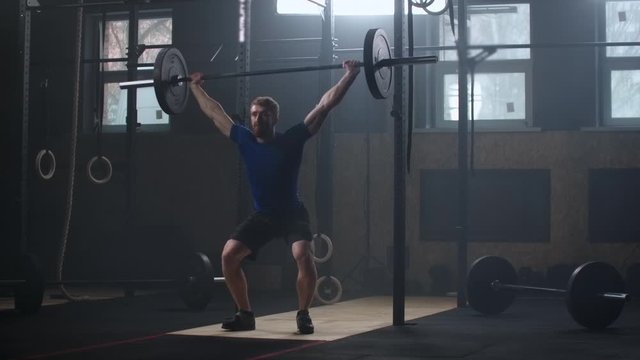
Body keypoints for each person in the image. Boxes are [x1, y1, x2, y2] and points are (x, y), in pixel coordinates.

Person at [189, 60, 360, 334]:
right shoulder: (243, 139)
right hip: (264, 215)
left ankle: (303, 314)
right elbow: (214, 112)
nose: (258, 119)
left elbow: (325, 105)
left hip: (292, 213)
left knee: (302, 255)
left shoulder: (292, 139)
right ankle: (245, 314)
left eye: (264, 115)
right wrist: (195, 87)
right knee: (229, 256)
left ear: (274, 118)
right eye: (254, 114)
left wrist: (351, 75)